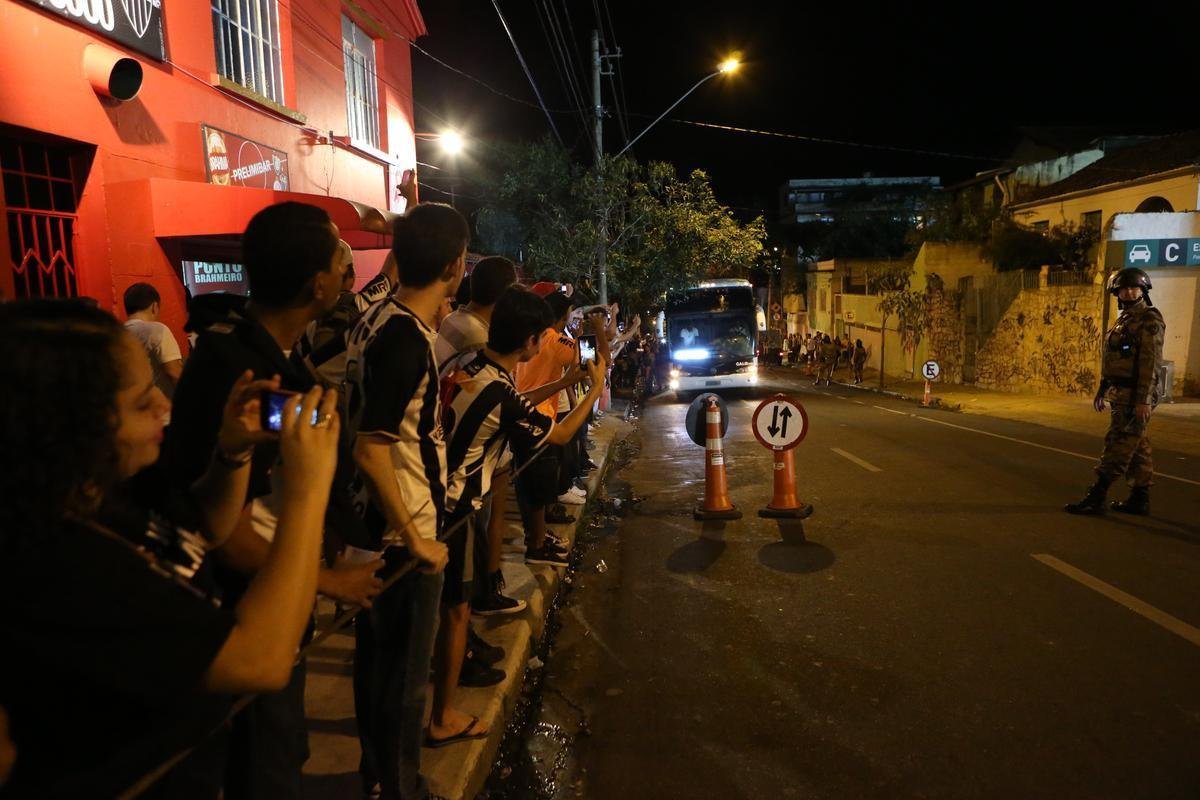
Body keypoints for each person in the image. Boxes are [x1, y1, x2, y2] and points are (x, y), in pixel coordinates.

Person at [0, 299, 339, 798]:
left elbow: (203, 531)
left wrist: (234, 448)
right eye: (142, 402)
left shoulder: (108, 488)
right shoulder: (52, 563)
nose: (165, 406)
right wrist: (310, 490)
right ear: (69, 428)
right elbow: (260, 660)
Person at [166, 202, 381, 799]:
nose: (348, 269)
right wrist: (327, 581)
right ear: (318, 285)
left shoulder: (268, 352)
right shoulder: (241, 371)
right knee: (269, 762)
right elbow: (225, 528)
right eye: (342, 258)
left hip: (275, 592)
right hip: (242, 606)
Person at [432, 287, 605, 748]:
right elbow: (563, 431)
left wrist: (569, 385)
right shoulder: (500, 392)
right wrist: (597, 384)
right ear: (530, 342)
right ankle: (442, 716)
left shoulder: (474, 366)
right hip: (453, 510)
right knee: (456, 608)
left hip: (434, 497)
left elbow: (521, 402)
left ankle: (458, 664)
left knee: (448, 606)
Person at [346, 203, 464, 799]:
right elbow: (372, 448)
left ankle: (377, 775)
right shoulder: (405, 338)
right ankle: (399, 787)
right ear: (455, 266)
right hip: (402, 533)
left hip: (375, 528)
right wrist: (418, 538)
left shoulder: (375, 319)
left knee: (376, 669)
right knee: (404, 681)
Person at [1065, 268, 1165, 516]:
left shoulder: (1149, 320)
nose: (1129, 292)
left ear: (1143, 290)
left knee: (1118, 443)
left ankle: (1097, 494)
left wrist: (1143, 400)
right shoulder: (1125, 319)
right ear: (1117, 293)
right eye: (1124, 288)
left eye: (1134, 288)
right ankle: (1140, 498)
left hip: (1135, 396)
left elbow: (1150, 363)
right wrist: (1102, 388)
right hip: (1120, 393)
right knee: (1137, 445)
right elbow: (1114, 359)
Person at [124, 282, 184, 400]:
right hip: (160, 407)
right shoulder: (157, 330)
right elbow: (174, 371)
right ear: (154, 307)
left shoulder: (118, 333)